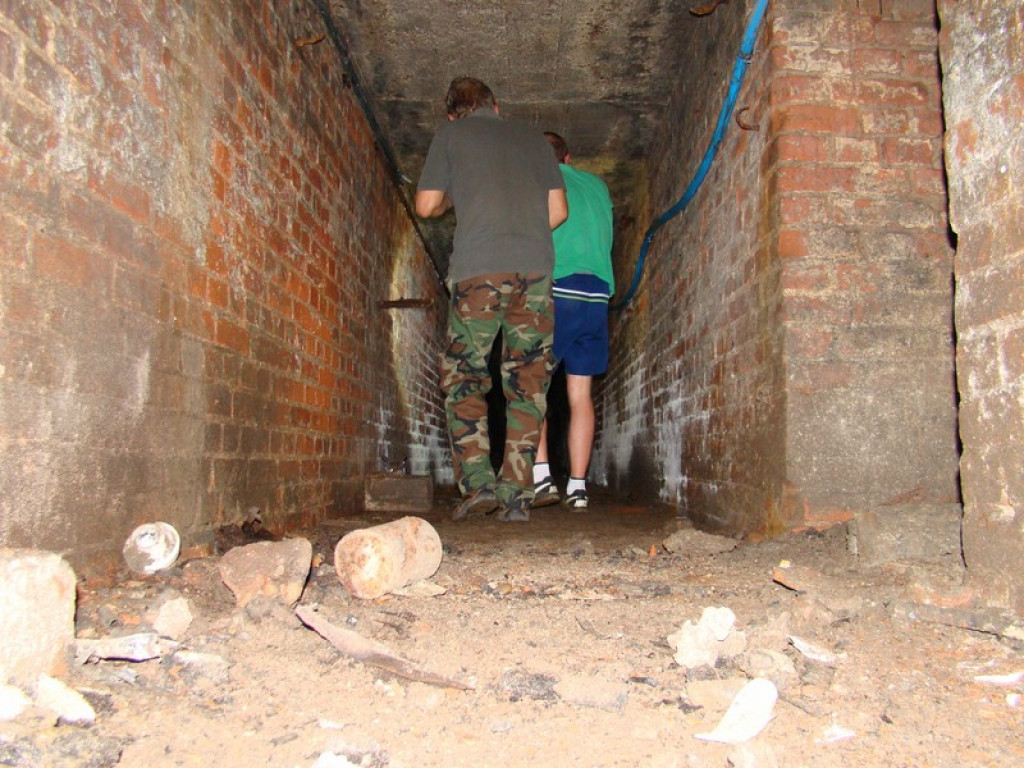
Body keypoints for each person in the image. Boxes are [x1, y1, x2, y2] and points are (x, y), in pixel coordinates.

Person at [415, 77, 568, 523]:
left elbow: (426, 206)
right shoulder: (534, 140)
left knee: (465, 377)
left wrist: (451, 203)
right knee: (527, 382)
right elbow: (558, 212)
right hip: (534, 273)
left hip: (477, 273)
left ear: (452, 113)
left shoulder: (450, 135)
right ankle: (518, 493)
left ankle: (479, 485)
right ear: (496, 107)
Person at [532, 132, 614, 510]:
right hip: (596, 295)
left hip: (558, 291)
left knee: (530, 384)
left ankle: (542, 476)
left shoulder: (539, 181)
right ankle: (578, 487)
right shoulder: (597, 184)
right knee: (580, 394)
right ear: (568, 155)